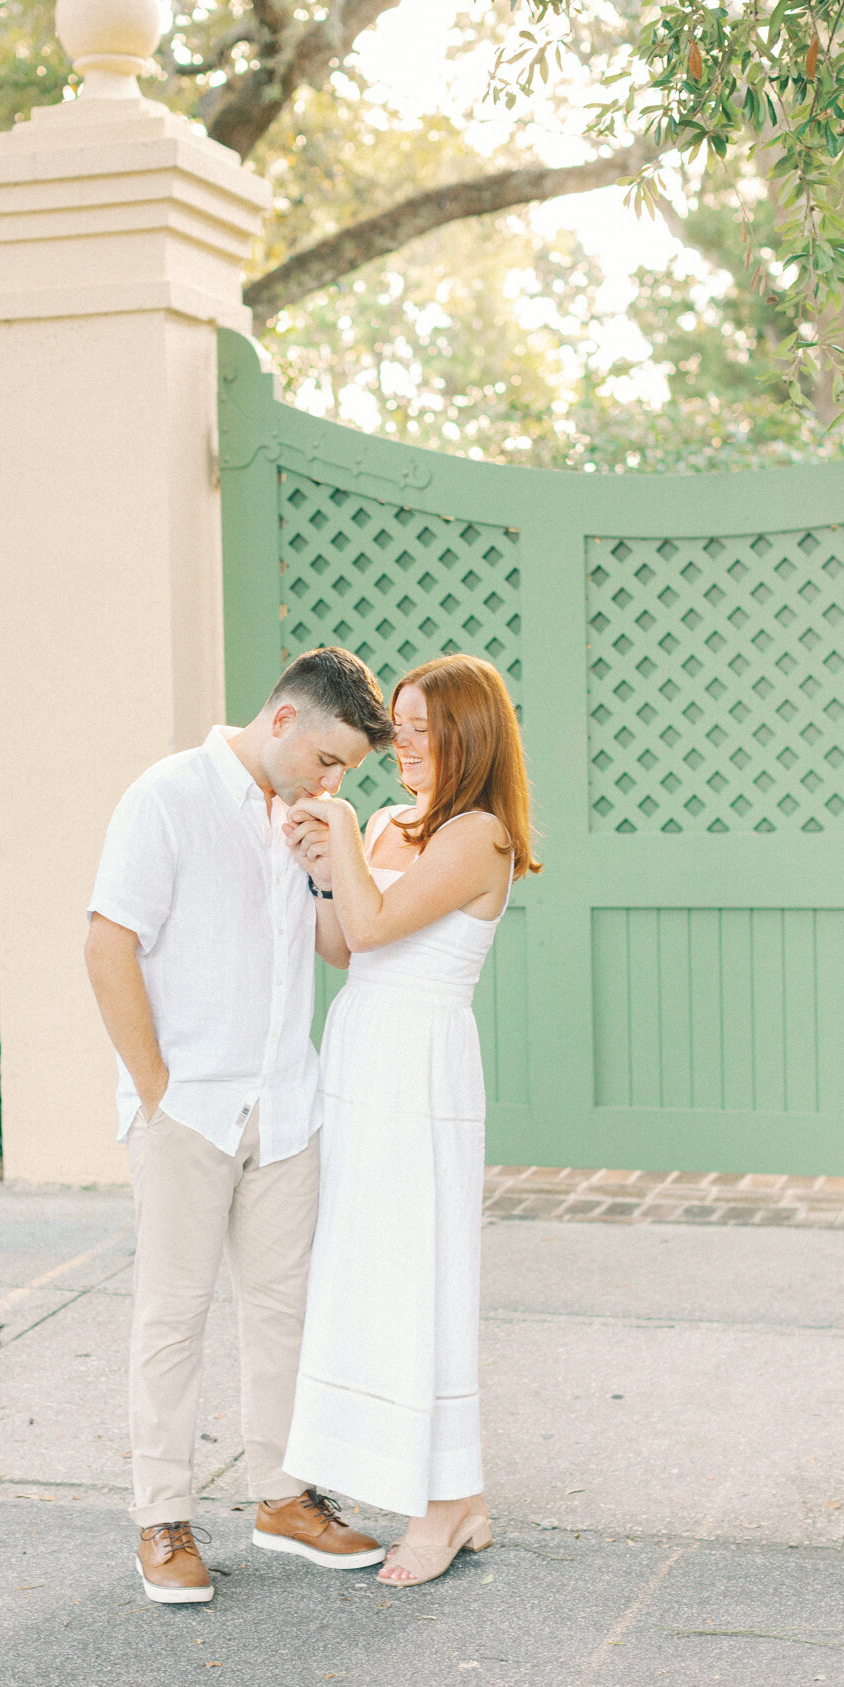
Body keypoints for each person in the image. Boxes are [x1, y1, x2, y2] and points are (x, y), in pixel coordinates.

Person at [83, 648, 395, 1605]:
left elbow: (340, 950)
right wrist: (156, 1088)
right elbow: (108, 946)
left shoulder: (306, 822)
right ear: (285, 721)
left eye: (350, 771)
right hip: (188, 1109)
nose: (335, 782)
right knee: (172, 1317)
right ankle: (161, 1518)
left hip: (286, 1106)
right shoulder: (166, 796)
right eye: (330, 760)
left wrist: (328, 864)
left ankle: (283, 1497)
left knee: (283, 1314)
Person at [281, 653, 539, 1588]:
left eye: (424, 729)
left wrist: (341, 834)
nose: (404, 747)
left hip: (424, 1065)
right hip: (360, 1053)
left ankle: (446, 1505)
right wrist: (318, 868)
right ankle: (445, 1495)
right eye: (399, 727)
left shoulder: (480, 836)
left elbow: (385, 926)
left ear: (471, 735)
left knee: (423, 1270)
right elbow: (347, 944)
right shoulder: (390, 821)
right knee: (368, 1269)